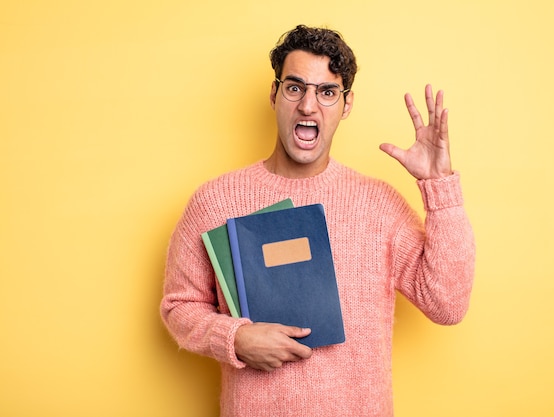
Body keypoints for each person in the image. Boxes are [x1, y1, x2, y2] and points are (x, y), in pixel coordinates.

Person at [160, 25, 475, 417]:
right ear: (274, 95)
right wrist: (235, 338)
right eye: (295, 88)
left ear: (346, 105)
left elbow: (447, 305)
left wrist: (439, 186)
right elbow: (179, 306)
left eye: (327, 92)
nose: (309, 106)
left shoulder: (379, 205)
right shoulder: (215, 201)